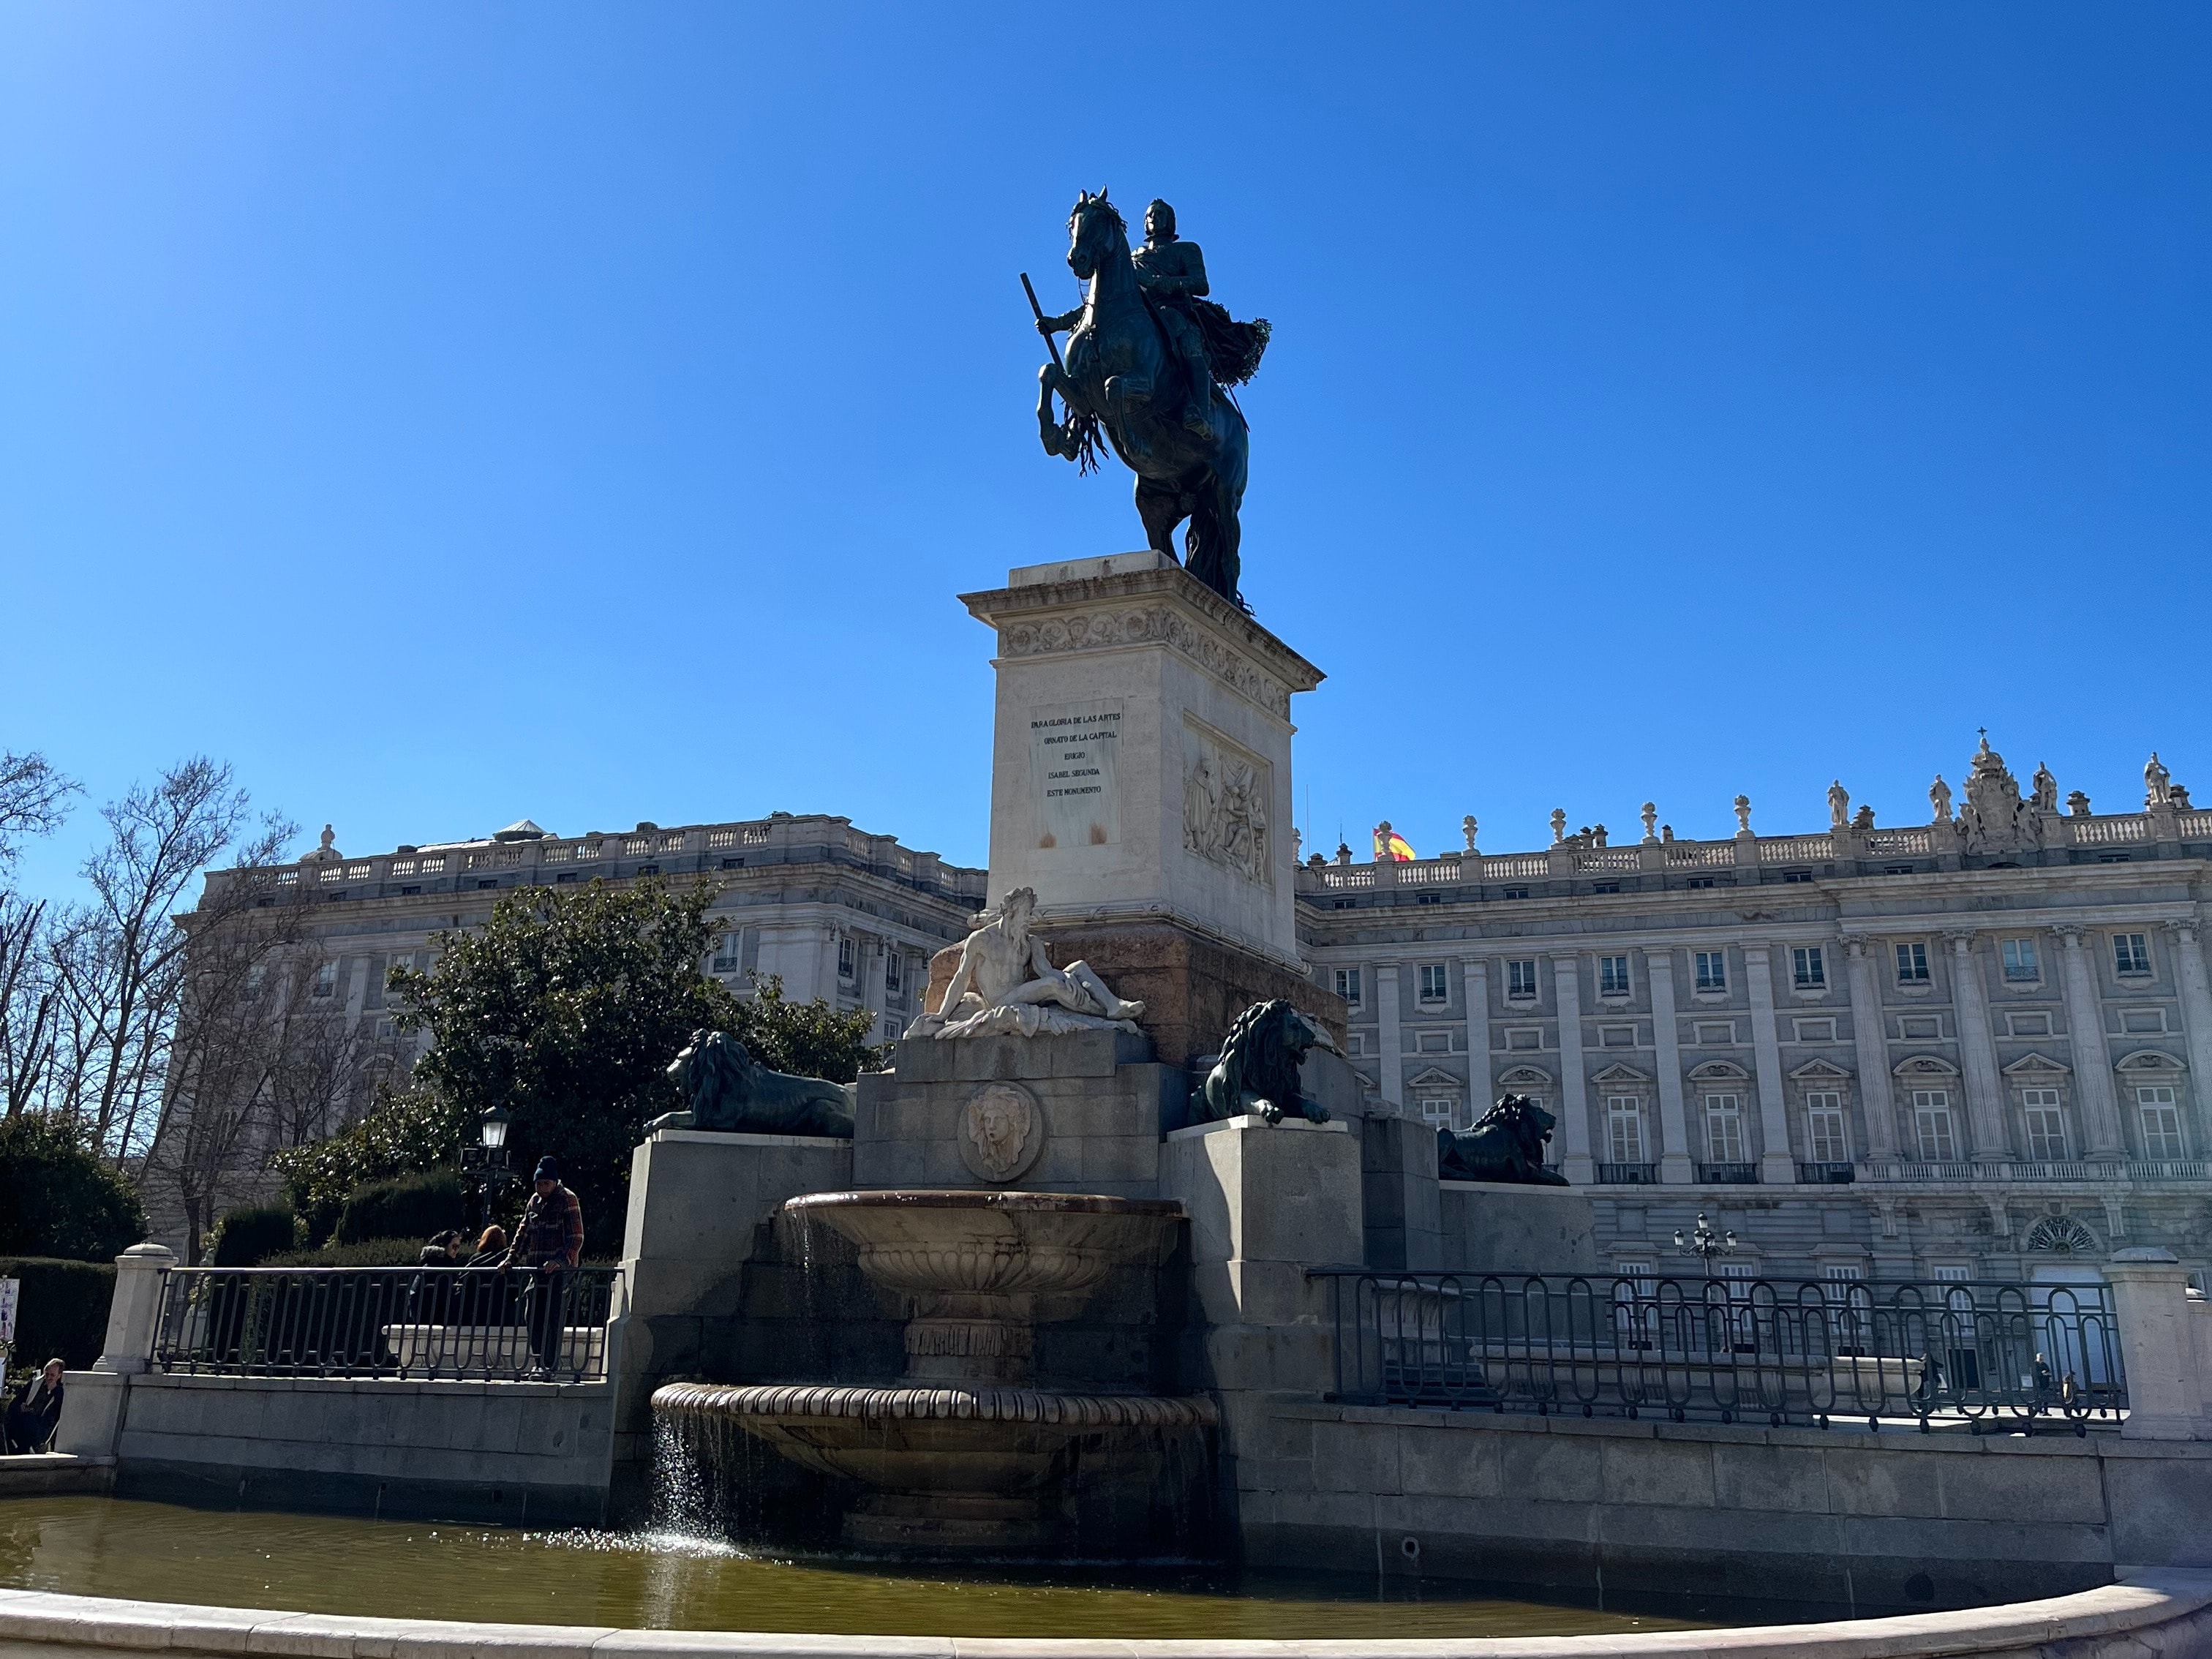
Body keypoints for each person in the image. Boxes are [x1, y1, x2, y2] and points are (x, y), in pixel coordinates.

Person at [502, 1158, 582, 1378]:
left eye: (546, 1183)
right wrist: (511, 1258)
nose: (542, 1188)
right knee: (532, 1314)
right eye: (538, 1184)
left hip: (560, 1272)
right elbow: (523, 1232)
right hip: (536, 1270)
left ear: (555, 1182)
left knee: (553, 1316)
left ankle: (549, 1366)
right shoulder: (534, 1201)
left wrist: (560, 1261)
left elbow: (576, 1238)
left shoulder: (568, 1199)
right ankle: (539, 1362)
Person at [4, 1360, 65, 1455]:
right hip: (23, 1424)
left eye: (52, 1375)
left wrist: (52, 1390)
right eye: (46, 1374)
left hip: (41, 1430)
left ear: (59, 1376)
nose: (48, 1377)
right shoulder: (34, 1384)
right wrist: (21, 1408)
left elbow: (55, 1417)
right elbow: (14, 1404)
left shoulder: (60, 1393)